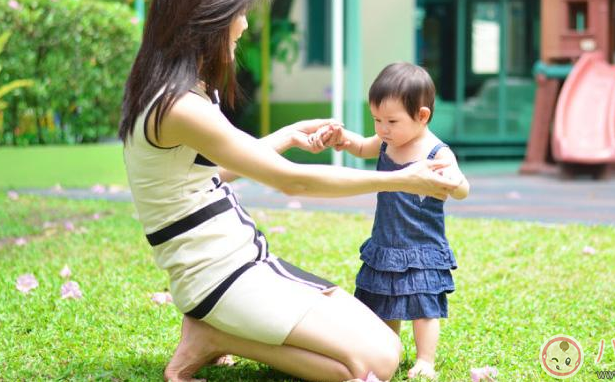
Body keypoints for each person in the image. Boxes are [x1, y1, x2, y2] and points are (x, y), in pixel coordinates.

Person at [118, 1, 461, 381]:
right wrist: (402, 178)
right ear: (205, 20)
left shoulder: (176, 91)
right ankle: (213, 336)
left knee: (388, 348)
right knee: (378, 362)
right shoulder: (179, 106)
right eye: (239, 14)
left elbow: (211, 174)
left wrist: (287, 136)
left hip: (244, 260)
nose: (244, 25)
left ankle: (218, 331)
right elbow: (292, 181)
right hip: (219, 277)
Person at [315, 62, 470, 379]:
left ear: (422, 116)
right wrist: (343, 138)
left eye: (391, 121)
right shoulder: (387, 142)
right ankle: (390, 350)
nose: (382, 128)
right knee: (386, 300)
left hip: (421, 246)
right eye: (377, 120)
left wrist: (454, 180)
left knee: (423, 306)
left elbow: (463, 189)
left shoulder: (437, 153)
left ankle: (425, 360)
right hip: (386, 242)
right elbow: (360, 147)